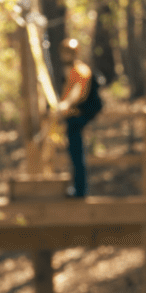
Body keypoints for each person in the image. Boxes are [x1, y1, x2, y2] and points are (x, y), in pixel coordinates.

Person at [56, 37, 103, 198]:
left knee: (77, 153)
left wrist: (66, 105)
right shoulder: (70, 71)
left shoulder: (80, 70)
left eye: (69, 52)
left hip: (78, 117)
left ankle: (80, 190)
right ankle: (77, 188)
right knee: (73, 152)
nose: (66, 55)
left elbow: (77, 91)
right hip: (72, 117)